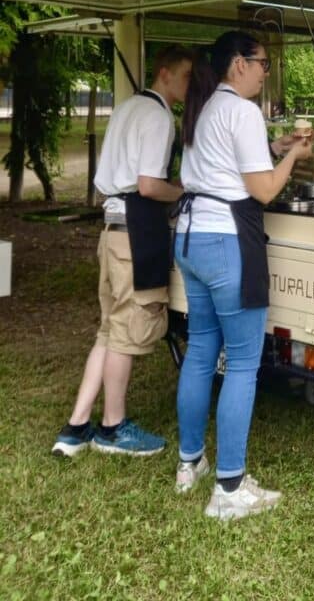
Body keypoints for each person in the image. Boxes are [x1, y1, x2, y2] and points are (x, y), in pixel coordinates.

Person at [173, 31, 313, 520]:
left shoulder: (209, 106)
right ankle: (229, 488)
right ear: (238, 64)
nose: (264, 72)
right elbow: (265, 190)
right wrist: (293, 156)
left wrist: (276, 143)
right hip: (227, 243)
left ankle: (190, 463)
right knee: (244, 365)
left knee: (201, 353)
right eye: (262, 64)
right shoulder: (243, 111)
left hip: (190, 240)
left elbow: (229, 160)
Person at [52, 44, 194, 458]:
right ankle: (113, 427)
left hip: (110, 228)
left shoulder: (127, 107)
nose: (189, 85)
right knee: (128, 332)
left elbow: (106, 180)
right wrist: (184, 191)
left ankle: (76, 426)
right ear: (164, 73)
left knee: (109, 329)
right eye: (185, 76)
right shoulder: (158, 116)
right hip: (135, 231)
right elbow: (149, 185)